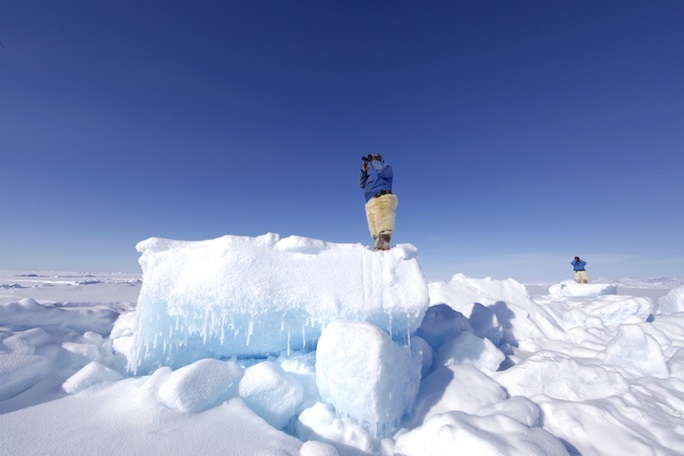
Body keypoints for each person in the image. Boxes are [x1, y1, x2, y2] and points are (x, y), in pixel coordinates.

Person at [358, 154, 398, 250]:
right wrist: (364, 171)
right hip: (370, 203)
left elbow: (381, 169)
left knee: (384, 227)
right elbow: (361, 184)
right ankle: (378, 250)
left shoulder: (386, 169)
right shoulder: (371, 176)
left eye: (375, 157)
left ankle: (384, 248)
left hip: (382, 199)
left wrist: (373, 160)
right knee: (374, 231)